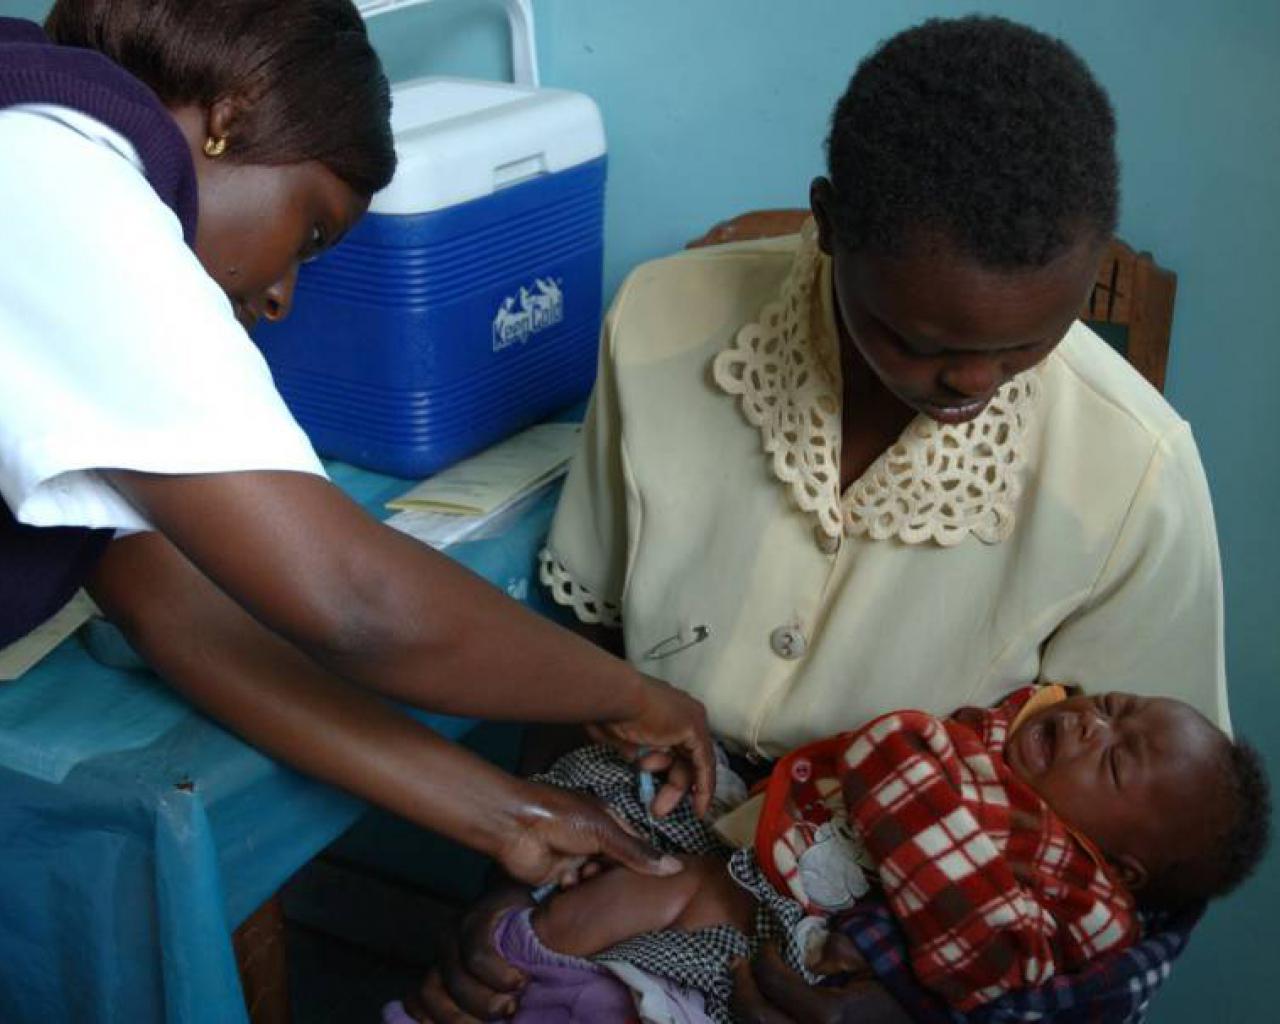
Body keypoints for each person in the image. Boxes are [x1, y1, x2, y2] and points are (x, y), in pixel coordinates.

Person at [412, 15, 1231, 1023]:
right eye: (917, 339)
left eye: (1026, 345)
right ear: (828, 222)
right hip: (635, 823)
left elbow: (1139, 889)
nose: (971, 382)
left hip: (879, 941)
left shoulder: (1136, 470)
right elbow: (588, 650)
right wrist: (520, 870)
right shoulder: (661, 321)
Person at [0, 0, 717, 895]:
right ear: (231, 115)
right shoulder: (56, 173)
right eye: (309, 235)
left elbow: (175, 609)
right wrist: (634, 694)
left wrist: (510, 815)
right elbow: (357, 605)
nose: (280, 300)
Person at [389, 686, 1265, 1023]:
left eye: (1113, 756)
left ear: (1125, 866)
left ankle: (543, 971)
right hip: (743, 828)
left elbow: (1015, 969)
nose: (1087, 723)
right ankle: (520, 953)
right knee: (646, 846)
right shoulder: (1008, 731)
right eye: (1112, 703)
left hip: (804, 950)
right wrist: (503, 880)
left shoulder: (1079, 889)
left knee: (682, 906)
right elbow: (579, 670)